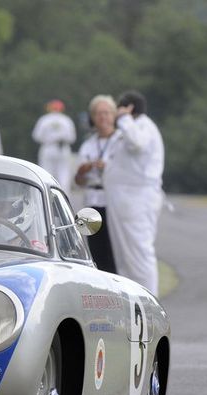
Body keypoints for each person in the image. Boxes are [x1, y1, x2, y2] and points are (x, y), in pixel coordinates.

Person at [102, 90, 165, 295]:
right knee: (125, 257)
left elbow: (137, 143)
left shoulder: (141, 126)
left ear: (128, 108)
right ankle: (133, 301)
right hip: (125, 200)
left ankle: (149, 301)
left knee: (138, 254)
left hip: (137, 200)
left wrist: (125, 119)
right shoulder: (131, 127)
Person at [74, 95, 121, 273]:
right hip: (92, 198)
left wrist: (107, 167)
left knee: (113, 248)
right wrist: (82, 171)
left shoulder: (121, 141)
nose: (103, 118)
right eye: (98, 114)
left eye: (107, 113)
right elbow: (78, 181)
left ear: (114, 115)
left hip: (112, 200)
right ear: (92, 117)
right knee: (94, 248)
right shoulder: (88, 145)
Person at [31, 99, 76, 193]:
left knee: (46, 174)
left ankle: (46, 196)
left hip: (48, 148)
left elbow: (36, 136)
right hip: (63, 149)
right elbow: (72, 138)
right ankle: (64, 198)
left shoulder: (44, 119)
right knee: (64, 175)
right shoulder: (66, 120)